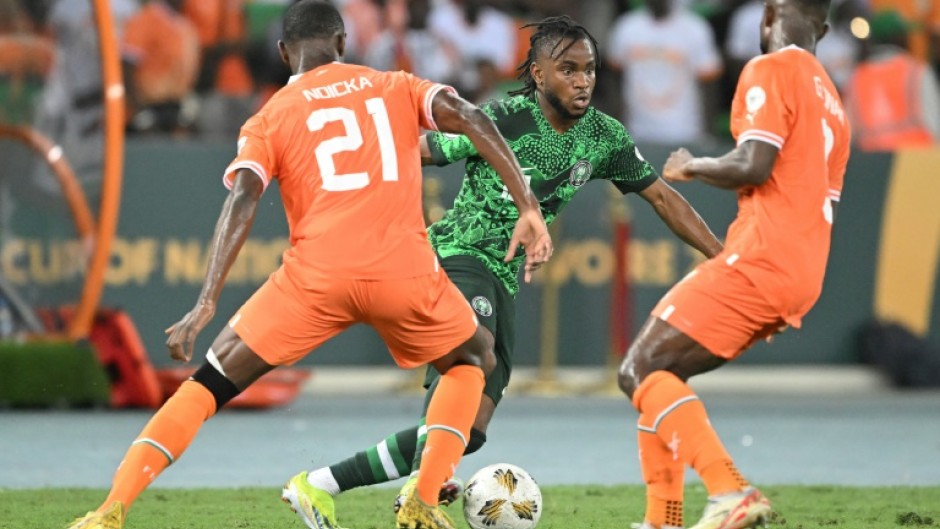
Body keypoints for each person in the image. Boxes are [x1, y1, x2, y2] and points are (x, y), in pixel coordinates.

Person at [65, 2, 553, 529]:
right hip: (402, 272)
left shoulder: (270, 115)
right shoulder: (395, 84)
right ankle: (423, 500)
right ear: (343, 43)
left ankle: (110, 509)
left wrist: (206, 299)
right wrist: (527, 205)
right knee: (472, 359)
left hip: (315, 279)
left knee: (209, 382)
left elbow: (245, 196)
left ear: (282, 52)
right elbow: (474, 118)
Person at [286, 15, 725, 529]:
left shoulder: (605, 137)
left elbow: (661, 197)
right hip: (455, 259)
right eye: (568, 70)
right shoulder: (502, 119)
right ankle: (419, 495)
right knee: (473, 358)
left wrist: (724, 259)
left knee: (471, 426)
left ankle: (322, 485)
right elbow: (422, 150)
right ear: (538, 75)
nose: (582, 81)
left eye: (589, 70)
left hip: (504, 278)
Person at [616, 0, 851, 527]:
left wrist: (692, 164)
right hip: (802, 271)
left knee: (638, 370)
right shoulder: (834, 102)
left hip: (761, 256)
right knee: (664, 373)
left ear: (768, 16)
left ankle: (729, 490)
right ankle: (663, 520)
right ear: (826, 29)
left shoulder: (770, 68)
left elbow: (754, 163)